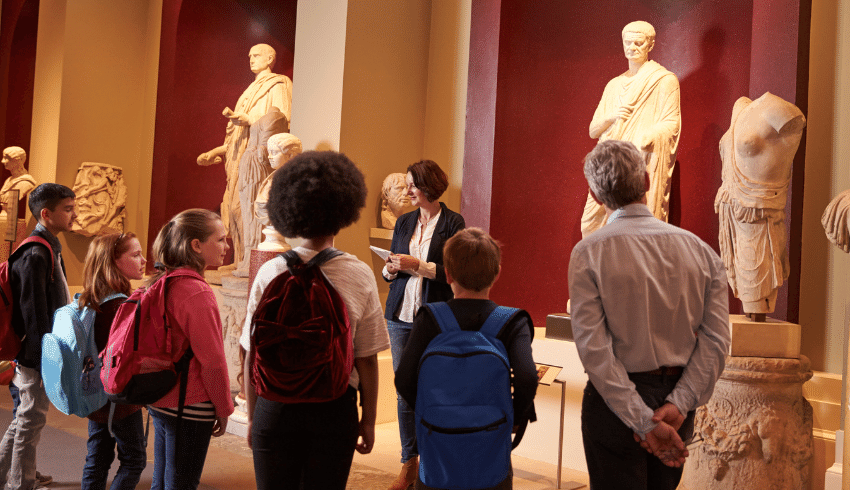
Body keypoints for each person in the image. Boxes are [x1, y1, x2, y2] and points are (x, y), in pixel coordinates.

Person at [569, 140, 730, 490]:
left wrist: (643, 421)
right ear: (646, 181)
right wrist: (679, 402)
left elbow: (594, 352)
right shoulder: (701, 252)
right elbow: (717, 343)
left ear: (596, 198)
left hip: (614, 404)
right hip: (678, 398)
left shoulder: (589, 253)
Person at [240, 151, 390, 489]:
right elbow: (366, 358)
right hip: (333, 409)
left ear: (287, 210)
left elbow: (251, 352)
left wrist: (253, 416)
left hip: (274, 407)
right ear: (344, 211)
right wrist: (368, 420)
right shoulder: (359, 274)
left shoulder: (271, 271)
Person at [394, 227, 538, 490]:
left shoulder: (429, 317)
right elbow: (528, 377)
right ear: (496, 273)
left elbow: (403, 378)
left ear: (447, 274)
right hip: (491, 445)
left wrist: (429, 412)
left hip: (437, 445)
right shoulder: (512, 322)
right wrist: (513, 417)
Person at [381, 159, 465, 490]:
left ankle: (434, 461)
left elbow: (454, 274)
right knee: (405, 391)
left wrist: (419, 265)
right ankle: (408, 462)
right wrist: (391, 269)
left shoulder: (454, 223)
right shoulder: (403, 222)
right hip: (400, 316)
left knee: (435, 390)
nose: (408, 190)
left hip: (435, 319)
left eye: (412, 184)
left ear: (428, 186)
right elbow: (391, 270)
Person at [146, 209, 235, 490]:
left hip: (160, 395)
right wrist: (223, 407)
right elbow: (212, 362)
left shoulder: (164, 280)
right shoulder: (196, 291)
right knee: (181, 484)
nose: (226, 247)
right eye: (220, 239)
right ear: (196, 245)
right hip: (190, 403)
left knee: (161, 482)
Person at [0, 183, 76, 490]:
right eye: (68, 209)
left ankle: (10, 473)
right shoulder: (35, 253)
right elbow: (34, 314)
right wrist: (45, 359)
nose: (74, 215)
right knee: (30, 420)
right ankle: (21, 482)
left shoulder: (47, 246)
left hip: (38, 350)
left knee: (25, 419)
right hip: (35, 353)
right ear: (46, 213)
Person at [197, 44, 293, 272]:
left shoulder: (278, 84)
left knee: (247, 208)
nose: (251, 59)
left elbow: (281, 118)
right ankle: (240, 260)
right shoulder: (249, 90)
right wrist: (217, 151)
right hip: (238, 160)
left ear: (270, 58)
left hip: (258, 159)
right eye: (249, 55)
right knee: (232, 209)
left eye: (257, 55)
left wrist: (249, 119)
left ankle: (254, 262)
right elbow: (236, 137)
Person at [582, 21, 681, 237]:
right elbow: (593, 131)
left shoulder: (664, 80)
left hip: (639, 161)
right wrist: (612, 116)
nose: (632, 47)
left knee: (637, 232)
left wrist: (650, 135)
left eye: (638, 42)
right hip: (607, 164)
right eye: (628, 43)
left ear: (650, 45)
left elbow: (671, 123)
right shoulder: (613, 85)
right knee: (589, 224)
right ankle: (599, 269)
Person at [714, 93, 806, 319]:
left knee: (759, 280)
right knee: (744, 284)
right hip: (732, 210)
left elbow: (796, 121)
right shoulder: (741, 106)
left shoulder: (777, 109)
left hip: (760, 211)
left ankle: (758, 310)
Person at [77, 232, 147, 490]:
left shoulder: (91, 299)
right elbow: (129, 356)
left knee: (98, 457)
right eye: (135, 254)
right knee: (134, 459)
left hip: (93, 391)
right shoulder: (120, 307)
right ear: (114, 261)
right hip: (119, 397)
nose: (144, 259)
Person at [0, 147, 37, 219]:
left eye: (6, 158)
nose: (2, 161)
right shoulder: (8, 180)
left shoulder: (26, 182)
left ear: (17, 160)